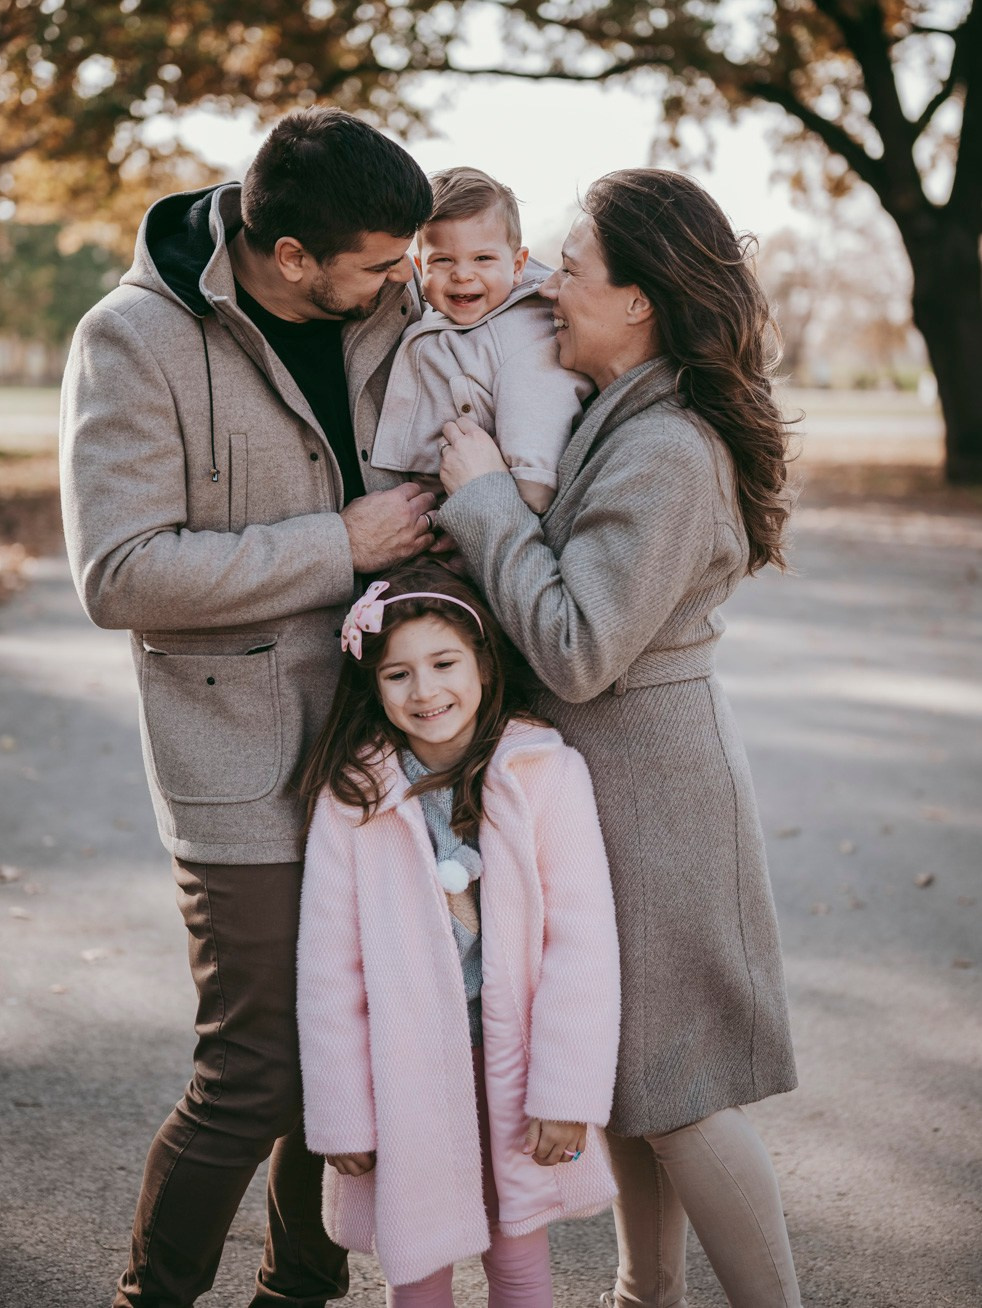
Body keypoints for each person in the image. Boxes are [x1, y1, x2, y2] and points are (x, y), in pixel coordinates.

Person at [59, 108, 443, 1307]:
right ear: (290, 259)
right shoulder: (131, 341)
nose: (405, 280)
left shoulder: (399, 308)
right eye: (382, 263)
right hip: (232, 756)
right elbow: (119, 572)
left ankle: (298, 1293)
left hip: (386, 749)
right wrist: (335, 544)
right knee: (258, 1070)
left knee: (357, 1059)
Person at [435, 169, 804, 1308]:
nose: (544, 282)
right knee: (632, 1075)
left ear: (639, 299)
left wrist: (485, 497)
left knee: (680, 1084)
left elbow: (579, 645)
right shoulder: (618, 413)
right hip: (606, 778)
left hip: (652, 787)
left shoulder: (666, 450)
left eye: (572, 266)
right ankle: (643, 1296)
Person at [296, 561, 621, 1306]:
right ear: (373, 687)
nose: (425, 691)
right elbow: (328, 969)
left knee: (518, 1248)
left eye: (443, 663)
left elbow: (583, 946)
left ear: (481, 661)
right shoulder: (356, 796)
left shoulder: (542, 774)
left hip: (516, 1063)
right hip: (404, 1073)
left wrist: (566, 1092)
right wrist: (344, 1112)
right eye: (398, 675)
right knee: (417, 1258)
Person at [370, 166, 591, 513]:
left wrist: (530, 481)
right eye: (442, 260)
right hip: (436, 498)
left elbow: (539, 400)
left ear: (517, 265)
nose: (462, 274)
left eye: (483, 259)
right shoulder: (450, 315)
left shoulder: (524, 327)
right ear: (420, 265)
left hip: (494, 499)